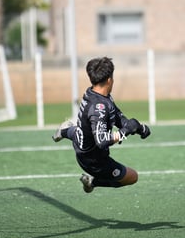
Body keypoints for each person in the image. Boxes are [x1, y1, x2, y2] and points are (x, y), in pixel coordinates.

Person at [52, 57, 151, 193]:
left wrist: (138, 128)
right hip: (93, 161)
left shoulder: (95, 93)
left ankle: (65, 130)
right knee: (132, 177)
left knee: (80, 131)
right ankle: (93, 182)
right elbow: (102, 141)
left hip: (83, 142)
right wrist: (125, 132)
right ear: (110, 79)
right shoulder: (99, 108)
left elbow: (115, 115)